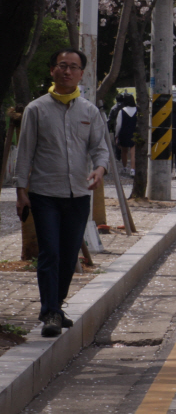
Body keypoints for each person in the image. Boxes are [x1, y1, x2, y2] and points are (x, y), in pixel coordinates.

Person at [13, 48, 109, 337]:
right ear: (52, 70)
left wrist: (99, 169)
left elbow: (100, 148)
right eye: (61, 66)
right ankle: (50, 312)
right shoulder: (36, 109)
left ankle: (56, 305)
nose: (67, 71)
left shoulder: (89, 111)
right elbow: (25, 152)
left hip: (79, 196)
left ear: (81, 73)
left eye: (73, 67)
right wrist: (21, 192)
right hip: (44, 195)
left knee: (69, 257)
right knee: (50, 253)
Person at [111, 94, 137, 174]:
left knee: (124, 152)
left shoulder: (122, 111)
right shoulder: (138, 110)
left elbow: (118, 125)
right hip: (135, 132)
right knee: (133, 153)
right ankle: (133, 170)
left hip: (124, 133)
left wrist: (116, 135)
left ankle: (124, 168)